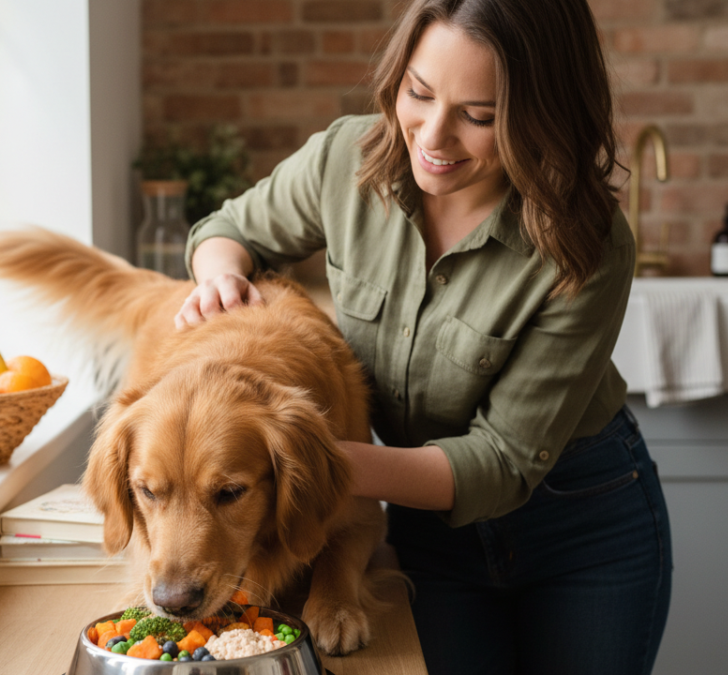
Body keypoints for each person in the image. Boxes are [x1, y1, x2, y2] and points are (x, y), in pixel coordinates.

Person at [176, 0, 672, 672]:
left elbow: (501, 461)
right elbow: (226, 231)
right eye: (419, 92)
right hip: (426, 528)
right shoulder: (343, 162)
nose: (433, 137)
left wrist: (300, 458)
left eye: (479, 116)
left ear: (542, 117)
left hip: (581, 526)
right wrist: (219, 280)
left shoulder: (587, 243)